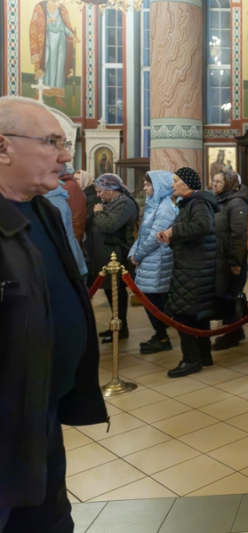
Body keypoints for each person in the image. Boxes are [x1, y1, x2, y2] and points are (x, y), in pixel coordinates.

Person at [0, 95, 106, 532]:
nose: (65, 155)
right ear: (3, 148)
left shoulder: (43, 210)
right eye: (51, 142)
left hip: (40, 419)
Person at [158, 167, 219, 378]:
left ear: (186, 183)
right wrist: (171, 236)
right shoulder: (193, 202)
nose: (173, 185)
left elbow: (202, 226)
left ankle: (191, 360)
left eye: (175, 181)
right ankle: (204, 355)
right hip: (195, 265)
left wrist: (174, 231)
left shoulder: (197, 202)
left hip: (194, 267)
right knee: (197, 313)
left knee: (183, 313)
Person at [129, 171, 177, 354]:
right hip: (150, 260)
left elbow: (153, 238)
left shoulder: (164, 209)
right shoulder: (154, 205)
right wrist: (134, 252)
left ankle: (163, 338)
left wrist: (138, 255)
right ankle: (160, 334)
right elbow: (143, 235)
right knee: (152, 302)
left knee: (155, 303)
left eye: (148, 185)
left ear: (158, 187)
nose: (144, 188)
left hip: (157, 262)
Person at [87, 173, 138, 343]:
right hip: (105, 254)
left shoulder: (124, 203)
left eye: (101, 191)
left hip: (115, 254)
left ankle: (120, 326)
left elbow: (110, 226)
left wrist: (99, 213)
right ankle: (115, 325)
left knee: (116, 291)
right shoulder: (109, 202)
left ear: (111, 190)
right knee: (110, 290)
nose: (99, 195)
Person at [212, 169, 248, 351]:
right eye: (213, 181)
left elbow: (239, 235)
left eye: (219, 182)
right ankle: (235, 331)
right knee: (224, 295)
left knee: (230, 294)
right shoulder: (220, 200)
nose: (214, 184)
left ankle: (232, 334)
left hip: (231, 259)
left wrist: (235, 262)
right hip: (221, 256)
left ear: (230, 184)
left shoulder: (237, 203)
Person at [44, 177, 88, 281]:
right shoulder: (53, 199)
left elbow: (57, 235)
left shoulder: (53, 202)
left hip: (62, 259)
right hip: (66, 255)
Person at [59, 163, 86, 242]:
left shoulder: (71, 186)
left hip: (66, 239)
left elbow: (77, 218)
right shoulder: (56, 184)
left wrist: (74, 242)